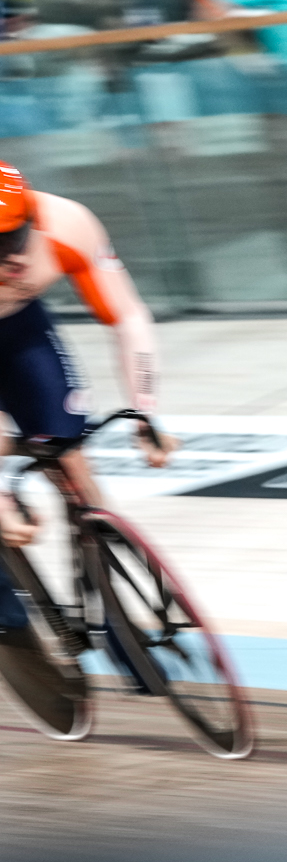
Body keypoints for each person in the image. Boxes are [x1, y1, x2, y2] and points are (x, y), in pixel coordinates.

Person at [0, 160, 172, 575]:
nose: (16, 258)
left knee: (72, 461)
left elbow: (128, 316)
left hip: (19, 328)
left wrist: (144, 410)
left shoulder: (67, 223)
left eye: (19, 236)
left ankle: (113, 618)